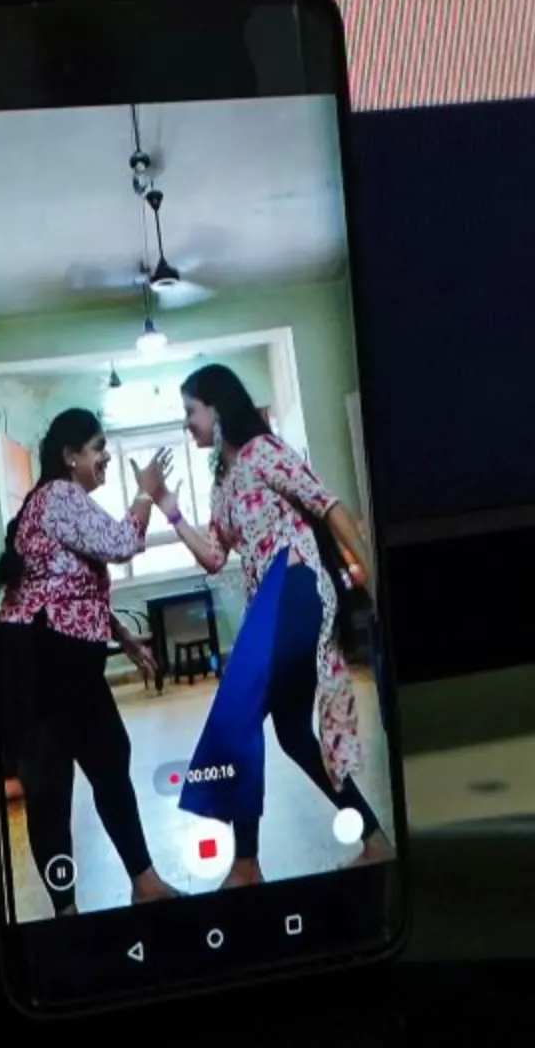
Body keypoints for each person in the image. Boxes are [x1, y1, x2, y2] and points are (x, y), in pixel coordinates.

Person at [140, 364, 390, 888]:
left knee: (240, 710)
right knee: (292, 733)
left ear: (217, 406)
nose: (187, 423)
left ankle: (246, 865)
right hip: (268, 601)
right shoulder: (224, 480)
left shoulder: (264, 452)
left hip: (295, 584)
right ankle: (374, 839)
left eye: (191, 411)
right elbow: (214, 556)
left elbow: (328, 505)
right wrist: (168, 508)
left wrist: (372, 573)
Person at [0, 407, 181, 916]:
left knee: (101, 759)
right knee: (55, 781)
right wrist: (145, 491)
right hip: (40, 657)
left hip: (53, 653)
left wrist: (122, 635)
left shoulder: (54, 502)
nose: (104, 457)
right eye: (98, 448)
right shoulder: (58, 496)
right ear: (70, 456)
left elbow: (71, 585)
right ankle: (72, 910)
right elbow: (123, 544)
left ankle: (136, 884)